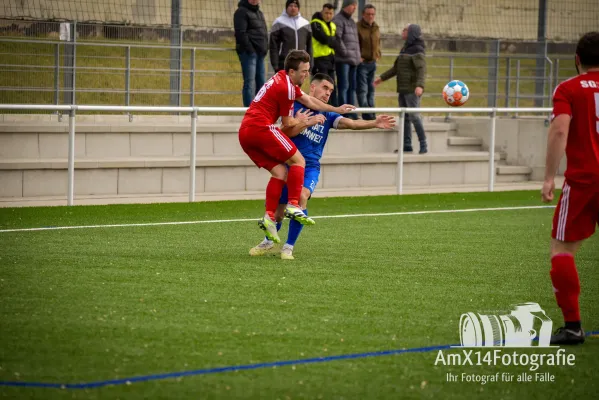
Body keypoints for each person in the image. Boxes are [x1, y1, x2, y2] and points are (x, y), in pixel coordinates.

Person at [248, 73, 396, 259]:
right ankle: (268, 241)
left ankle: (288, 247)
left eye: (331, 91)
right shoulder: (296, 106)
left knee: (301, 196)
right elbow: (283, 133)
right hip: (290, 166)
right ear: (313, 87)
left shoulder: (327, 113)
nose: (328, 94)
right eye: (325, 88)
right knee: (278, 214)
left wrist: (374, 123)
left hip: (310, 168)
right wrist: (303, 123)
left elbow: (350, 123)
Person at [238, 50, 356, 244]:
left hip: (245, 133)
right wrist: (301, 120)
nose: (306, 75)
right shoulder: (287, 88)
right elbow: (287, 123)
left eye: (308, 71)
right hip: (260, 127)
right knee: (298, 160)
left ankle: (269, 217)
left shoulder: (281, 79)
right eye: (303, 71)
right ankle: (293, 204)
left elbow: (309, 101)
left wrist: (336, 109)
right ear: (292, 71)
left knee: (279, 173)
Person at [541, 31, 599, 345]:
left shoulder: (568, 89)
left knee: (561, 250)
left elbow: (559, 130)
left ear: (577, 59)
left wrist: (549, 176)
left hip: (585, 181)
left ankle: (573, 327)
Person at [374, 23, 428, 153]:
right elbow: (396, 69)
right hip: (403, 89)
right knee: (405, 118)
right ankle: (406, 145)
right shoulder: (405, 49)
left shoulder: (417, 50)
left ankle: (423, 144)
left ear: (411, 33)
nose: (402, 32)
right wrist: (381, 78)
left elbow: (421, 70)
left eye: (405, 30)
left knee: (414, 116)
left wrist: (420, 85)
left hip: (412, 90)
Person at [233, 0, 269, 107]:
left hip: (260, 54)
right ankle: (249, 111)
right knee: (250, 83)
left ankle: (260, 111)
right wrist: (251, 50)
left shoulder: (259, 13)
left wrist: (265, 48)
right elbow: (240, 33)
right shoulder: (241, 12)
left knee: (261, 84)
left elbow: (264, 32)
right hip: (249, 54)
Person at [333, 0, 361, 119]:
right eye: (352, 5)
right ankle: (343, 112)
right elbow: (337, 38)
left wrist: (357, 55)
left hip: (353, 60)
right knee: (344, 87)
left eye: (355, 6)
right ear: (346, 6)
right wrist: (345, 53)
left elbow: (355, 41)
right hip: (343, 60)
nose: (354, 8)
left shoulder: (352, 21)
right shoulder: (338, 20)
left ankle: (352, 112)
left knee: (352, 88)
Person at [269, 0, 312, 73]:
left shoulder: (305, 24)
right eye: (290, 6)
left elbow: (310, 46)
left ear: (298, 8)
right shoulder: (279, 22)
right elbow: (273, 46)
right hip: (284, 63)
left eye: (295, 6)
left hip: (301, 63)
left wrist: (310, 63)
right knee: (285, 84)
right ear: (286, 8)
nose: (293, 8)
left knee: (297, 85)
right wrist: (275, 65)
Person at [356, 4, 381, 120]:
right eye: (368, 14)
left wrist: (378, 54)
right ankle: (366, 114)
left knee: (371, 90)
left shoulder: (376, 27)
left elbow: (378, 42)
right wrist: (358, 57)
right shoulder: (358, 27)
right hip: (362, 64)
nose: (370, 16)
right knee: (363, 89)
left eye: (372, 14)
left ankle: (372, 113)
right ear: (363, 15)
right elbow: (354, 43)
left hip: (373, 63)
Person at [310, 3, 337, 96]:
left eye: (330, 13)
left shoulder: (333, 25)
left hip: (331, 59)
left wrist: (331, 41)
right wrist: (331, 41)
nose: (328, 15)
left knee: (332, 87)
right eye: (326, 13)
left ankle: (331, 109)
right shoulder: (316, 23)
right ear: (322, 12)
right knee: (322, 87)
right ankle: (320, 109)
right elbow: (323, 39)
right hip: (320, 59)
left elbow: (337, 41)